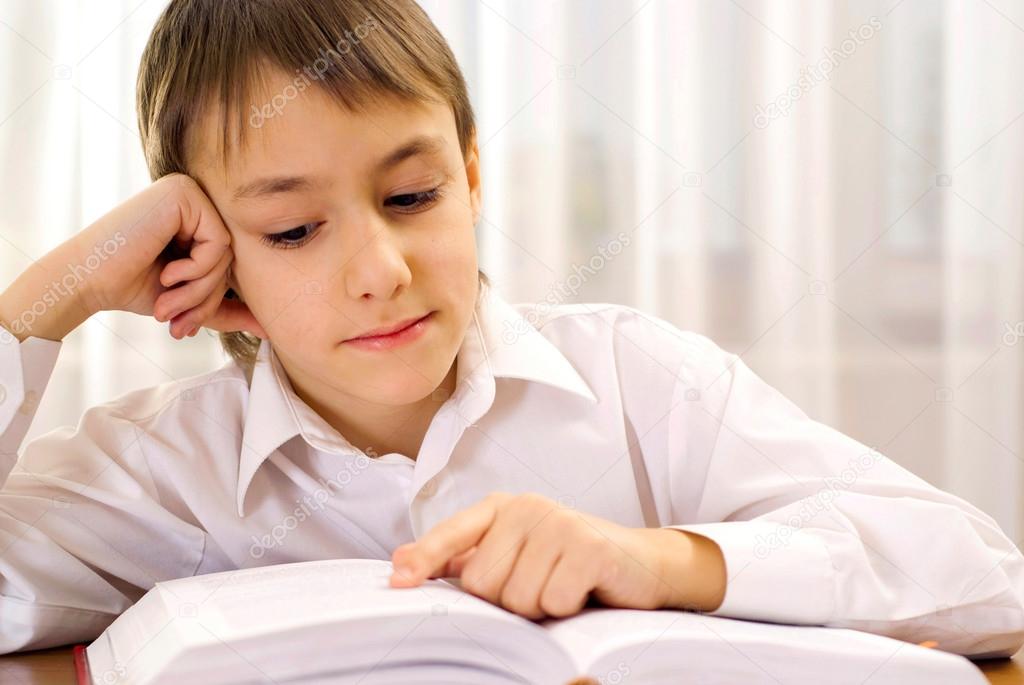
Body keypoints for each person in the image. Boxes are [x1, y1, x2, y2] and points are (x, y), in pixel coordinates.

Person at [0, 0, 1021, 661]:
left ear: (472, 175)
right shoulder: (168, 466)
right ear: (206, 242)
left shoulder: (635, 380)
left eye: (410, 196)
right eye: (294, 227)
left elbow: (980, 577)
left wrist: (658, 560)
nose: (380, 273)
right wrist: (52, 295)